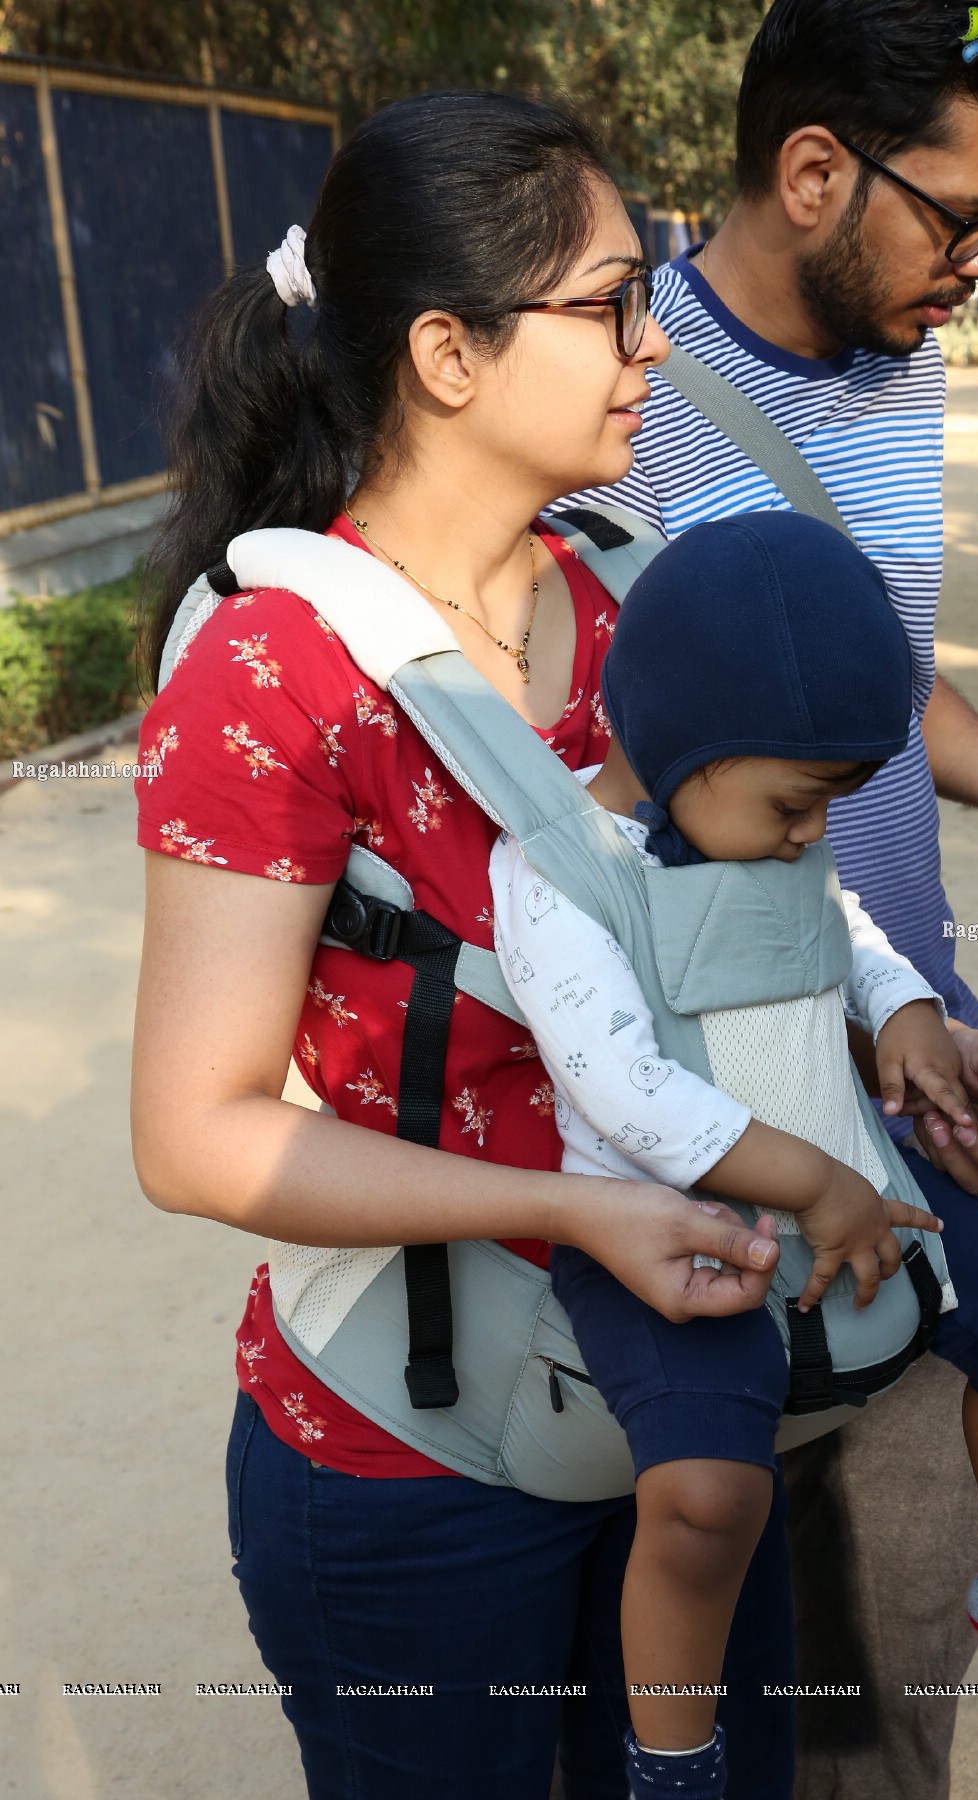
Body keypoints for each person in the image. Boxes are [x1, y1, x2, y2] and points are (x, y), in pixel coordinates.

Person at [130, 92, 813, 1800]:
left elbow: (750, 921)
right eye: (612, 304)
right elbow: (195, 1131)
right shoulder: (276, 676)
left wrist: (902, 1048)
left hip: (691, 1431)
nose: (654, 348)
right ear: (449, 350)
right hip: (409, 1471)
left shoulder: (646, 599)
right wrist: (577, 1208)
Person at [567, 2, 978, 1791]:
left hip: (898, 1073)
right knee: (698, 1636)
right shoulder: (617, 393)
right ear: (818, 171)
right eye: (966, 220)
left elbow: (879, 680)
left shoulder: (898, 361)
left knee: (887, 1710)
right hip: (698, 1137)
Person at [490, 512, 978, 1800]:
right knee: (702, 1498)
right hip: (678, 1233)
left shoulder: (773, 828)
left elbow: (846, 928)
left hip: (858, 1180)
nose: (809, 836)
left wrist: (906, 1014)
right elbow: (620, 1090)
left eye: (826, 808)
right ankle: (672, 1757)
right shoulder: (559, 874)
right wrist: (809, 1185)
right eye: (795, 804)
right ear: (681, 747)